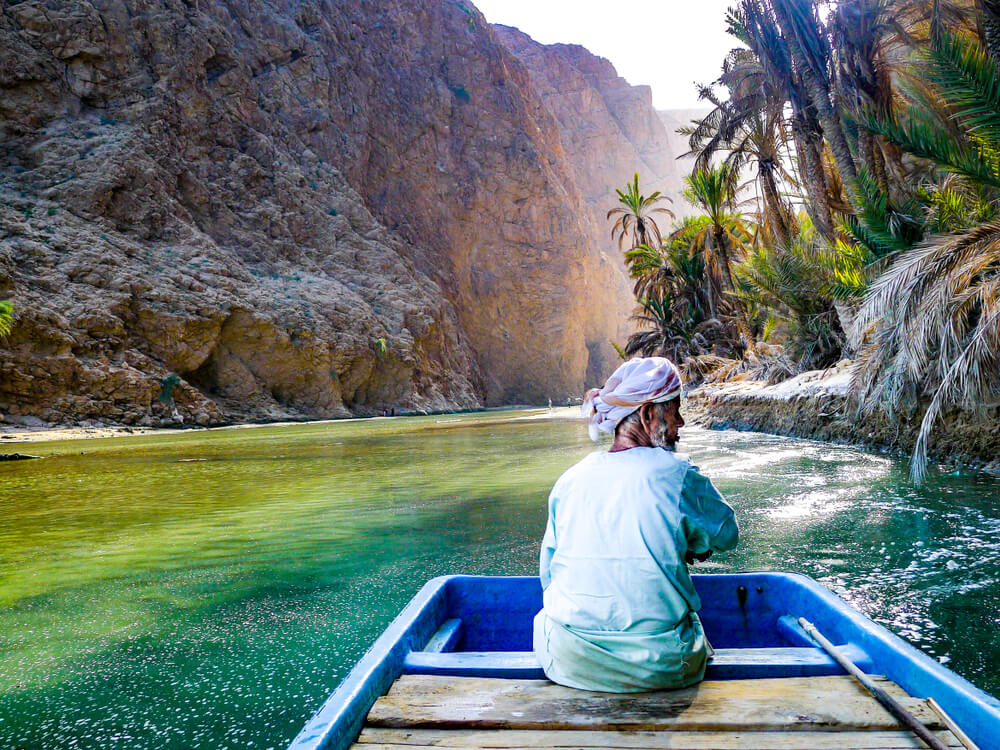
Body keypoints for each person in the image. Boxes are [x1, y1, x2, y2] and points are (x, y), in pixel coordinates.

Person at [533, 356, 738, 692]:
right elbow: (726, 536)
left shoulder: (569, 480)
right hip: (661, 667)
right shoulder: (677, 474)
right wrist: (691, 544)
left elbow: (549, 576)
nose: (681, 423)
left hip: (569, 662)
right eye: (674, 411)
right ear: (647, 414)